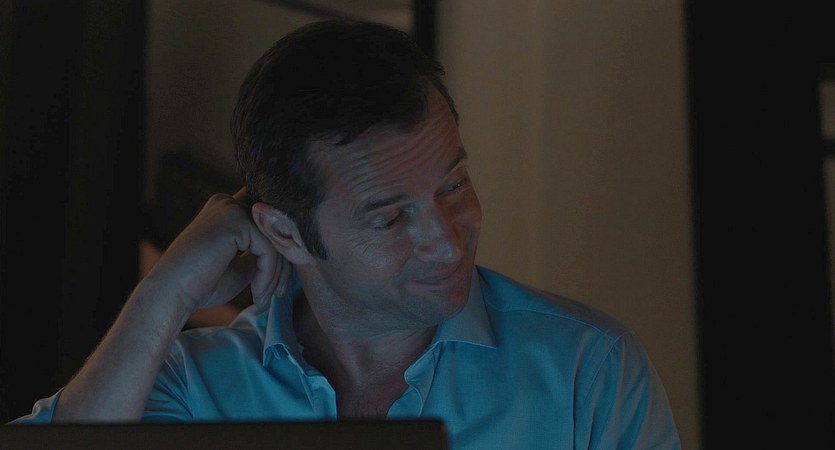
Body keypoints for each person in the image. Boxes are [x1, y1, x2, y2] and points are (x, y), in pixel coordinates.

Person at [10, 19, 681, 449]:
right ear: (286, 234)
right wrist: (168, 290)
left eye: (453, 186)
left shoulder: (589, 372)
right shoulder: (193, 385)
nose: (447, 241)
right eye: (389, 218)